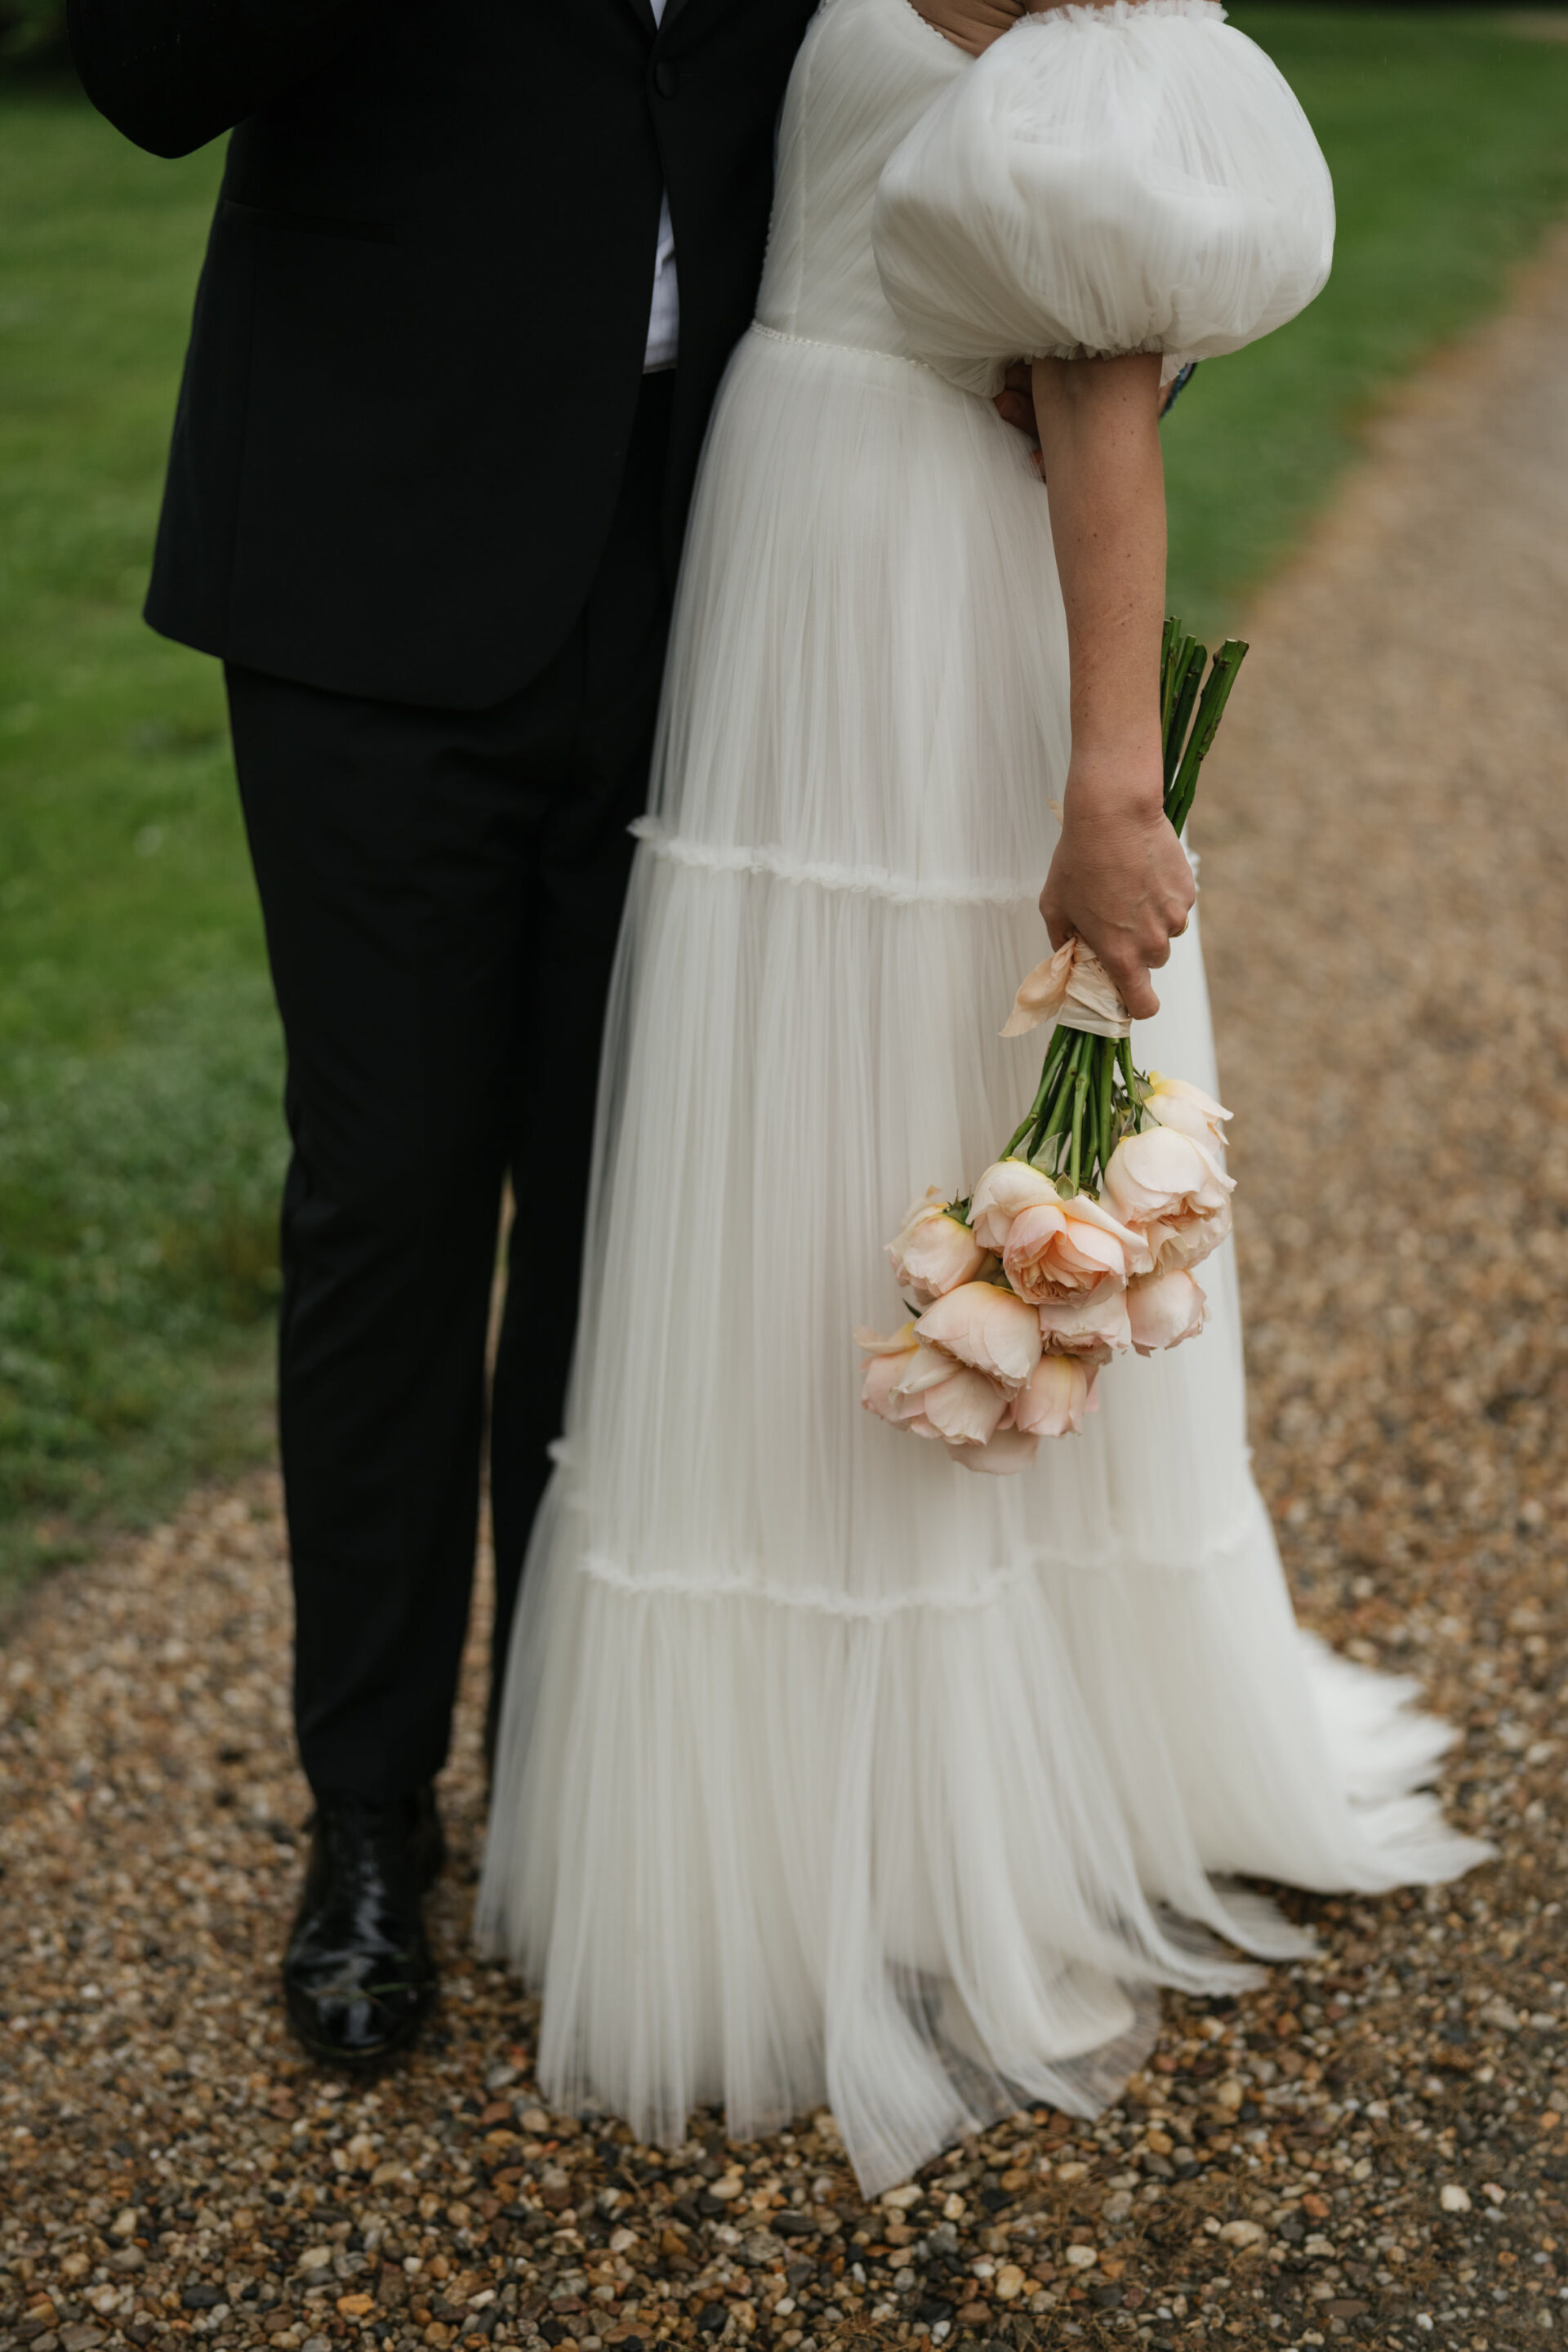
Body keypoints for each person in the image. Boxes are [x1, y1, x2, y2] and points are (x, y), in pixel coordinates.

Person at [476, 0, 1491, 2194]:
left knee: (937, 1089)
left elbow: (1106, 361)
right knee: (796, 1156)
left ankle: (965, 1836)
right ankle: (796, 1824)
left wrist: (1113, 779)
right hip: (795, 565)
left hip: (936, 585)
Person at [68, 0, 822, 2061]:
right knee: (394, 1214)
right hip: (366, 569)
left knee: (623, 1232)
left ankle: (574, 1809)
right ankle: (369, 1823)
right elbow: (136, 69)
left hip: (713, 582)